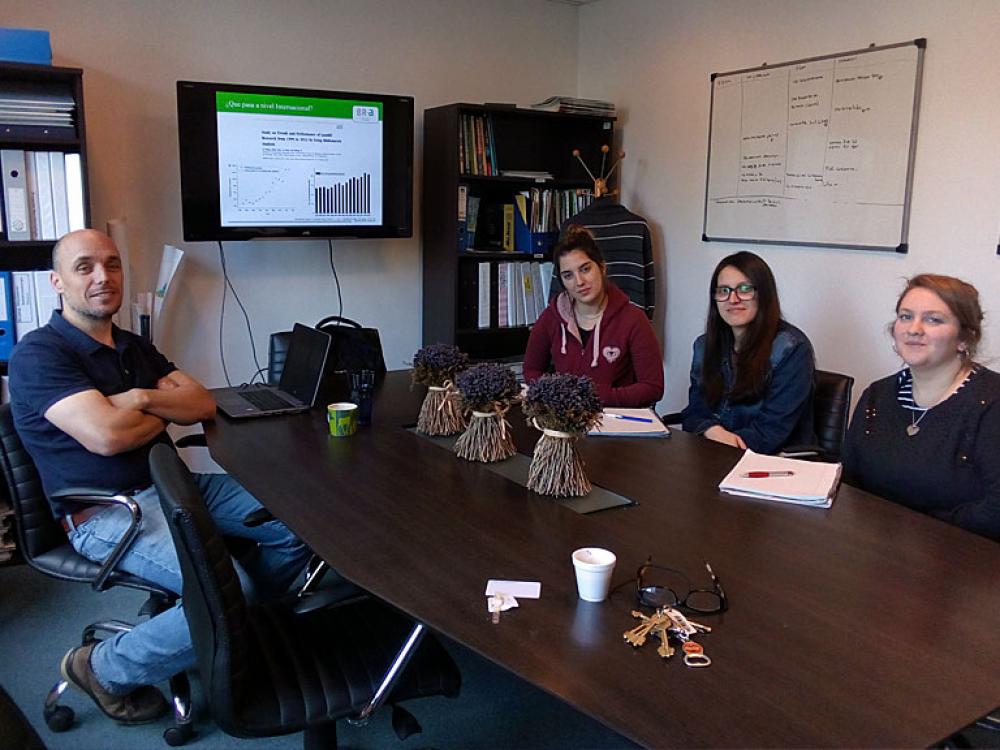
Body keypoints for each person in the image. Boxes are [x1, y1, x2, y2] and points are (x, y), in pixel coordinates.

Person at [8, 229, 311, 724]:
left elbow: (202, 403)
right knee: (228, 590)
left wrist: (142, 399)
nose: (102, 277)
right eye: (84, 267)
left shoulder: (132, 347)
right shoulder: (40, 355)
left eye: (112, 264)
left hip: (176, 486)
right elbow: (106, 436)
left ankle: (230, 630)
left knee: (297, 525)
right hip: (110, 511)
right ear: (56, 282)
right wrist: (160, 410)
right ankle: (103, 668)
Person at [843, 274, 1000, 541]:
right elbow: (850, 481)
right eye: (905, 316)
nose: (914, 329)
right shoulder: (876, 396)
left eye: (933, 319)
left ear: (965, 337)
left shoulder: (991, 403)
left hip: (963, 562)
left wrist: (917, 533)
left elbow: (995, 511)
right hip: (879, 553)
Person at [680, 251, 815, 453]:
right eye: (724, 290)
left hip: (773, 463)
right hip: (716, 453)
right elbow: (694, 413)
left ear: (764, 294)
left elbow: (771, 433)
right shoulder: (704, 345)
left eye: (744, 289)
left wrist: (720, 441)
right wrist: (711, 430)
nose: (733, 299)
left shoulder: (791, 348)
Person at [523, 225, 663, 407]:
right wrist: (556, 394)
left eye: (585, 269)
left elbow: (653, 387)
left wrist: (593, 397)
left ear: (602, 267)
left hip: (615, 422)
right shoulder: (551, 316)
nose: (579, 282)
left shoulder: (634, 319)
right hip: (564, 419)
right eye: (568, 275)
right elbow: (531, 369)